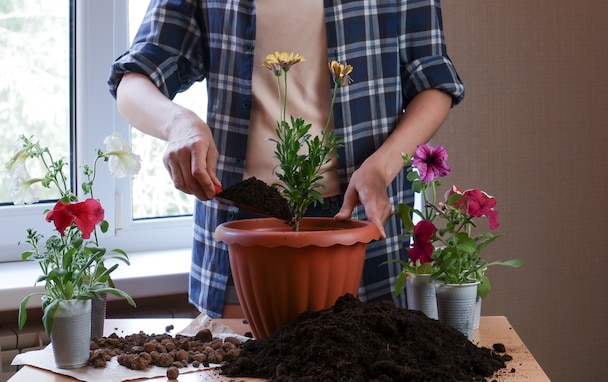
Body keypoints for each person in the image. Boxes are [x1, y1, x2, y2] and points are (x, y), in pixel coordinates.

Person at [108, 0, 464, 318]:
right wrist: (178, 124)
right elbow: (135, 77)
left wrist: (381, 166)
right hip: (243, 218)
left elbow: (433, 84)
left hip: (356, 219)